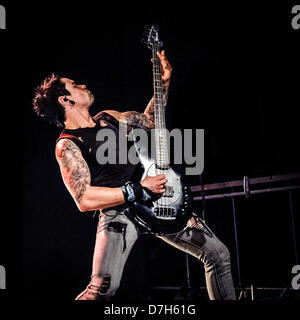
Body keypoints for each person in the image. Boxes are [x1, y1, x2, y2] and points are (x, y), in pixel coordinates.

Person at [33, 50, 236, 300]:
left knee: (218, 256)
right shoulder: (68, 144)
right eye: (75, 85)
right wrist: (138, 189)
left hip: (153, 204)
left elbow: (149, 119)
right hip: (118, 213)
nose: (83, 85)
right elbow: (83, 199)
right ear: (66, 100)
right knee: (101, 290)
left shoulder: (108, 119)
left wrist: (164, 80)